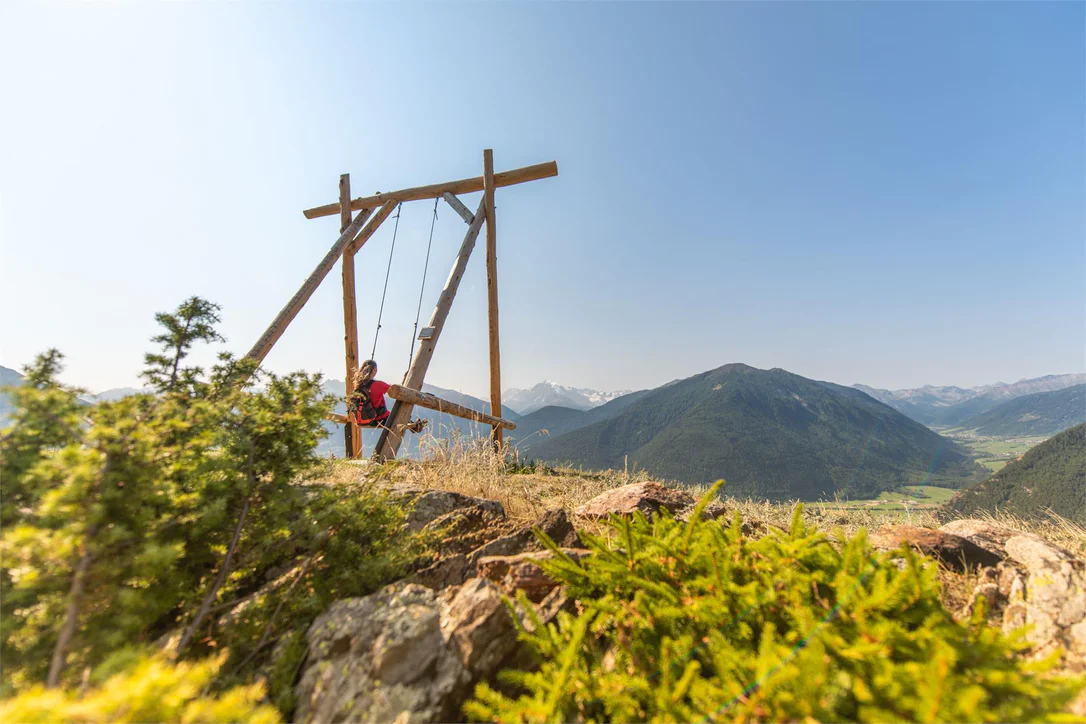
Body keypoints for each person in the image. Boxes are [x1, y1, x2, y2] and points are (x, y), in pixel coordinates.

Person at [348, 360, 426, 433]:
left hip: (363, 421)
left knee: (397, 415)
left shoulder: (358, 387)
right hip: (380, 419)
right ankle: (416, 427)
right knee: (399, 414)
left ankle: (414, 425)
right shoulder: (377, 385)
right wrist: (405, 379)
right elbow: (396, 391)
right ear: (374, 370)